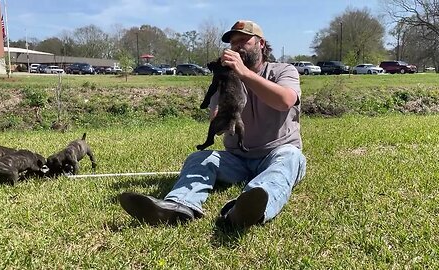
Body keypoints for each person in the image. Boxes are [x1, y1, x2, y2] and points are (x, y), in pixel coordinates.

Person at [118, 20, 306, 228]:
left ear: (260, 44)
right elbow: (216, 118)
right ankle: (177, 207)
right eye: (233, 43)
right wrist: (220, 108)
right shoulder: (226, 78)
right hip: (238, 159)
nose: (237, 46)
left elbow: (285, 101)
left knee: (290, 157)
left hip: (276, 154)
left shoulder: (283, 70)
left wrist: (244, 73)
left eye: (244, 40)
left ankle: (242, 211)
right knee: (200, 157)